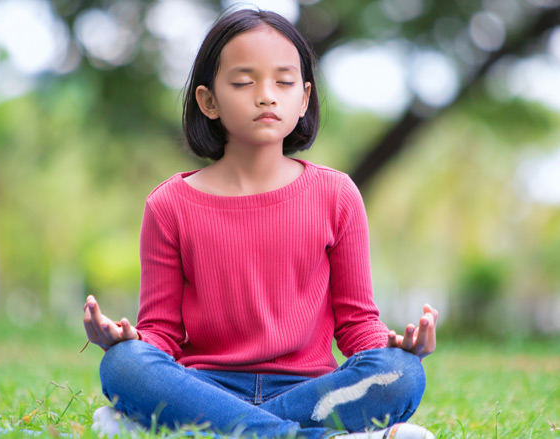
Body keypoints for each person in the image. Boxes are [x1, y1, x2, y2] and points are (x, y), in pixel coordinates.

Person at [82, 8, 438, 439]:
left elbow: (356, 324)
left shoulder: (337, 194)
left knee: (402, 373)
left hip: (310, 391)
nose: (266, 95)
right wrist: (130, 339)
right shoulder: (169, 204)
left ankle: (189, 430)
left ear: (304, 98)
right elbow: (163, 333)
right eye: (243, 82)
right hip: (206, 387)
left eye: (284, 82)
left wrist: (396, 347)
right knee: (124, 366)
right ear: (207, 101)